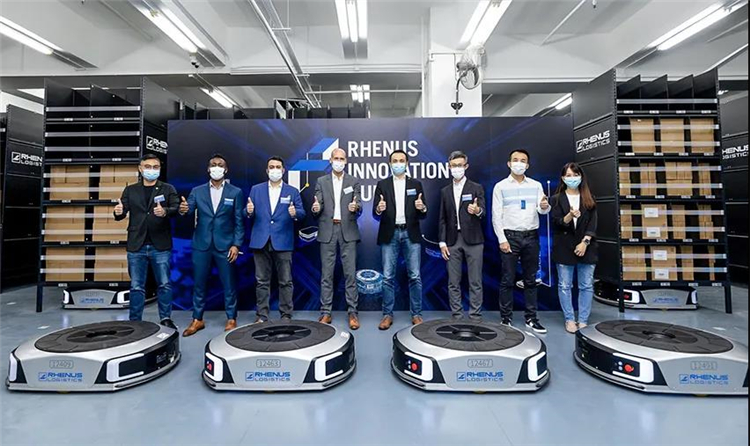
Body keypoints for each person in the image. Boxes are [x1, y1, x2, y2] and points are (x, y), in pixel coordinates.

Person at [179, 154, 246, 336]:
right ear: (208, 169)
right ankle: (197, 319)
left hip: (225, 245)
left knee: (229, 284)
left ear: (226, 169)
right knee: (199, 284)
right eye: (213, 164)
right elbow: (188, 210)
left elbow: (239, 222)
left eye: (220, 165)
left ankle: (231, 318)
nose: (217, 167)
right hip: (202, 244)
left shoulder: (235, 192)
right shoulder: (197, 191)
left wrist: (236, 245)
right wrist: (184, 209)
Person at [114, 153, 179, 328]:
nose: (151, 170)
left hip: (160, 244)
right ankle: (135, 321)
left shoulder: (168, 188)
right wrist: (118, 211)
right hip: (137, 244)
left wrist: (165, 211)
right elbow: (121, 212)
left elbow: (176, 208)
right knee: (136, 286)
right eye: (148, 167)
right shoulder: (130, 190)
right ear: (140, 169)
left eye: (155, 167)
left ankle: (165, 318)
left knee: (164, 284)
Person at [491, 149, 550, 333]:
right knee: (507, 279)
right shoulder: (500, 186)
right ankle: (506, 318)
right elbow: (496, 216)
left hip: (531, 236)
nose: (519, 163)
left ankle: (531, 318)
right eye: (515, 160)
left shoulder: (536, 185)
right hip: (510, 237)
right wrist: (502, 239)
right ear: (509, 164)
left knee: (531, 280)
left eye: (523, 160)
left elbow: (543, 210)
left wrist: (544, 206)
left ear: (527, 165)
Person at [373, 149, 427, 330]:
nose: (398, 164)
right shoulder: (382, 184)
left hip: (411, 233)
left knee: (415, 276)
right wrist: (379, 208)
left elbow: (423, 213)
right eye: (394, 161)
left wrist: (421, 207)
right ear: (390, 164)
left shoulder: (416, 184)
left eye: (401, 160)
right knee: (388, 277)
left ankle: (416, 314)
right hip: (390, 233)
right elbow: (375, 212)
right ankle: (387, 315)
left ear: (407, 163)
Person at [246, 156, 305, 322]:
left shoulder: (292, 191)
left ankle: (286, 314)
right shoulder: (256, 190)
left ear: (283, 170)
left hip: (283, 241)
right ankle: (262, 315)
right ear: (267, 170)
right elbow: (247, 212)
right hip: (261, 240)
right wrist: (248, 211)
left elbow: (302, 213)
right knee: (261, 281)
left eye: (278, 167)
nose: (275, 170)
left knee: (285, 281)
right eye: (271, 167)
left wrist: (295, 213)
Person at [311, 148, 363, 330]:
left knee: (350, 274)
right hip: (328, 230)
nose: (339, 161)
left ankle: (353, 313)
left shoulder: (353, 181)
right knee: (327, 274)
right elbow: (317, 204)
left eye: (342, 158)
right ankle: (326, 312)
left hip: (348, 230)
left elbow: (359, 204)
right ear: (330, 160)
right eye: (336, 158)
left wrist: (356, 207)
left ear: (346, 161)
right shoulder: (321, 181)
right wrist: (316, 208)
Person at [438, 151, 486, 321]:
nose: (456, 168)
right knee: (453, 282)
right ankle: (457, 315)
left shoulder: (476, 188)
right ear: (449, 167)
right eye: (453, 165)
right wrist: (442, 242)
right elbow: (442, 218)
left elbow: (483, 212)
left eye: (459, 165)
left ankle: (475, 316)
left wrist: (477, 210)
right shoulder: (445, 191)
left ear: (466, 166)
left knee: (475, 281)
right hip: (452, 240)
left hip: (474, 240)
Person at [550, 162, 598, 333]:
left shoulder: (589, 198)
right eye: (568, 175)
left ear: (581, 177)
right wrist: (570, 215)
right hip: (564, 247)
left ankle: (583, 320)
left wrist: (585, 242)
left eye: (575, 175)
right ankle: (569, 319)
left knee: (586, 285)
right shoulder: (556, 199)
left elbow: (593, 224)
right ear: (563, 178)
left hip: (587, 247)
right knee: (565, 285)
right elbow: (557, 222)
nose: (572, 178)